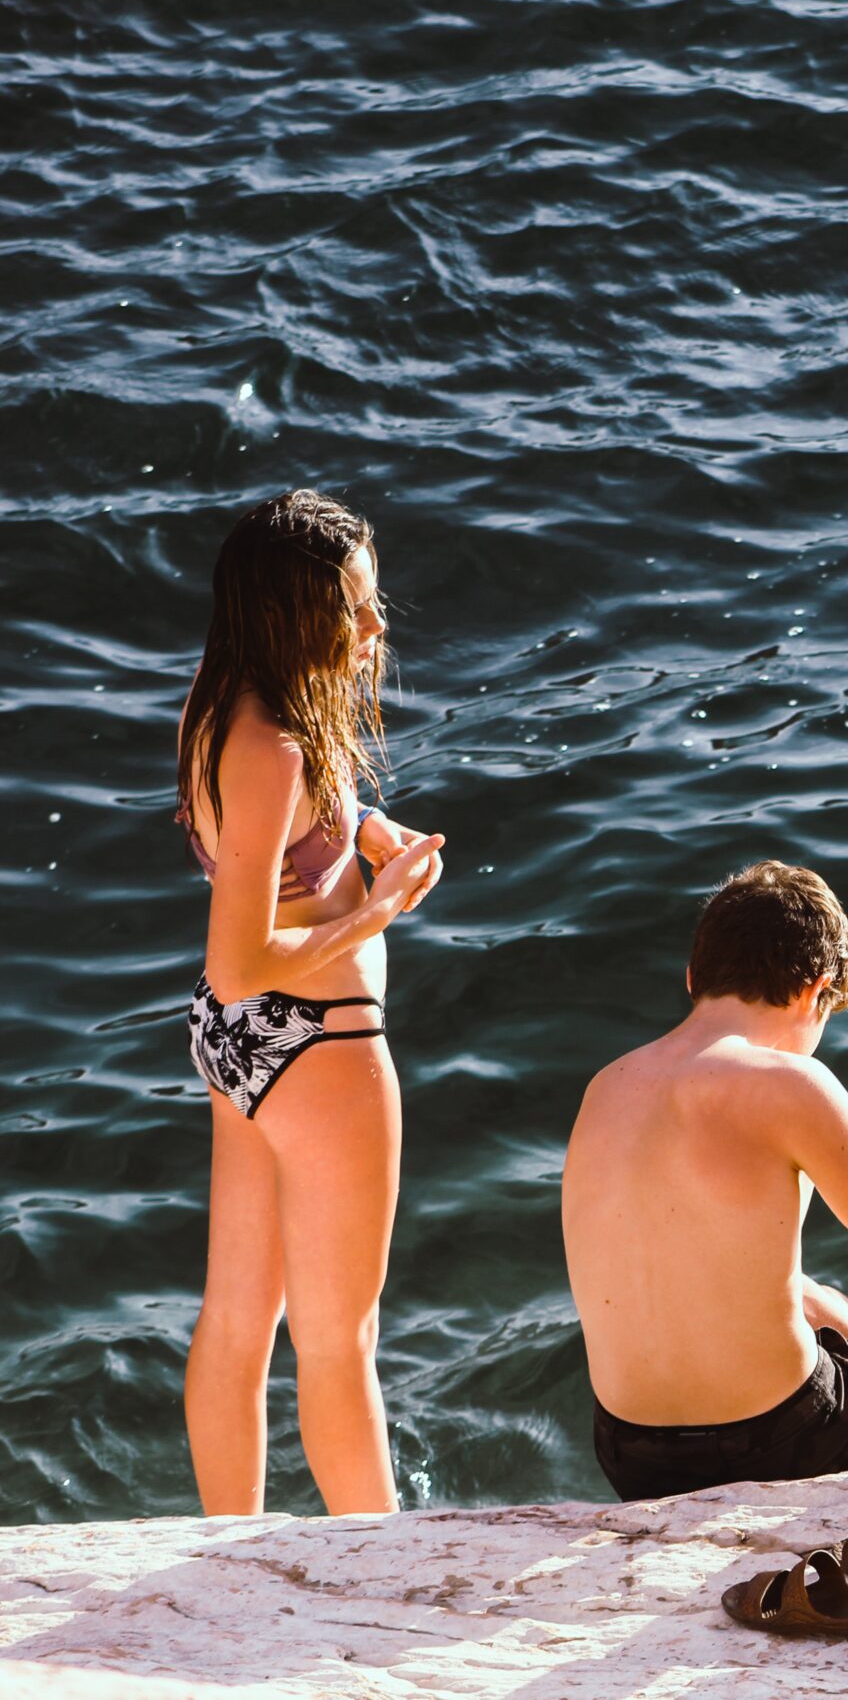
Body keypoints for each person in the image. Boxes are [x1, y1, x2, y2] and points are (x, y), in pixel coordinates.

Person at [562, 861, 848, 1502]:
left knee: (816, 1299)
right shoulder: (789, 1084)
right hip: (784, 1443)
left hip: (632, 1457)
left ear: (693, 978)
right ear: (813, 990)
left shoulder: (608, 1086)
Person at [177, 489, 446, 1516]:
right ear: (290, 613)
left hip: (238, 1046)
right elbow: (243, 958)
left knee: (237, 1323)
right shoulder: (274, 749)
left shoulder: (222, 698)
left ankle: (225, 1551)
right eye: (353, 607)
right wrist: (377, 910)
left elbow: (271, 843)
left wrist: (362, 829)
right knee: (340, 1342)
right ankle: (385, 1568)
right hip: (316, 1045)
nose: (376, 625)